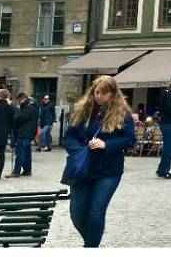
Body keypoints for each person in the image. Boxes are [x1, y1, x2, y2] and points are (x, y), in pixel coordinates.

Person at [64, 76, 135, 247]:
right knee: (77, 212)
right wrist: (79, 149)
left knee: (96, 212)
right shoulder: (83, 110)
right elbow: (69, 136)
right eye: (96, 92)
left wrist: (106, 145)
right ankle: (91, 242)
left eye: (103, 93)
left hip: (108, 170)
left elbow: (129, 140)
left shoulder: (123, 114)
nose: (99, 96)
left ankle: (91, 247)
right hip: (83, 168)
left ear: (112, 94)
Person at [11, 93, 39, 177]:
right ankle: (27, 170)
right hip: (29, 133)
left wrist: (16, 116)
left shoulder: (27, 108)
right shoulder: (33, 107)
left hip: (24, 132)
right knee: (27, 153)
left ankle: (16, 171)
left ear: (22, 99)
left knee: (20, 153)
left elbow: (20, 118)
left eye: (19, 100)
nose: (18, 102)